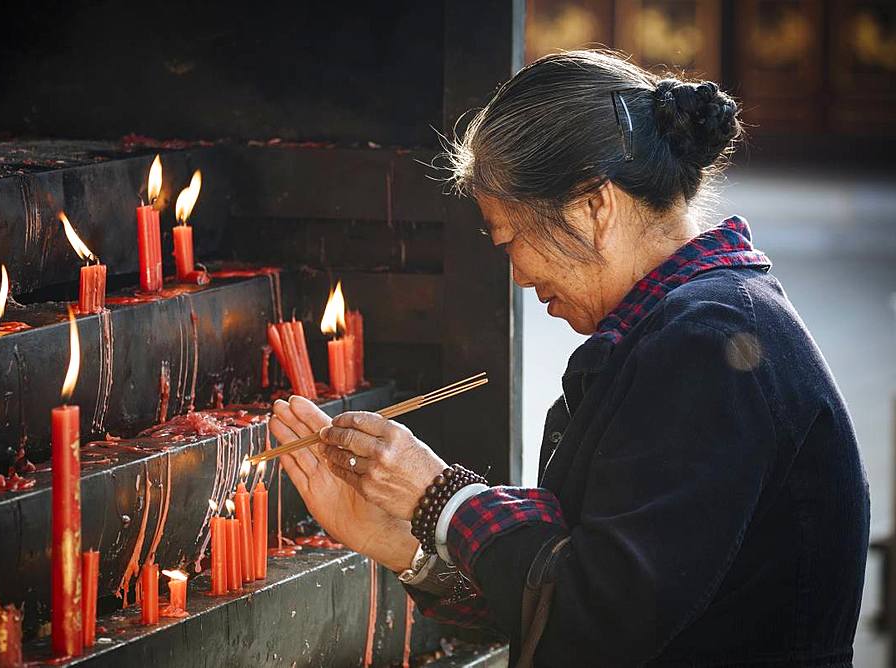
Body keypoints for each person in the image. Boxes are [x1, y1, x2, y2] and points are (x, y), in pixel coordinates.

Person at [269, 50, 870, 666]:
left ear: (593, 205)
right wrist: (400, 542)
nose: (520, 277)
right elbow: (557, 602)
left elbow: (601, 621)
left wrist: (439, 496)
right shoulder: (686, 324)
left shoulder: (710, 340)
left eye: (511, 241)